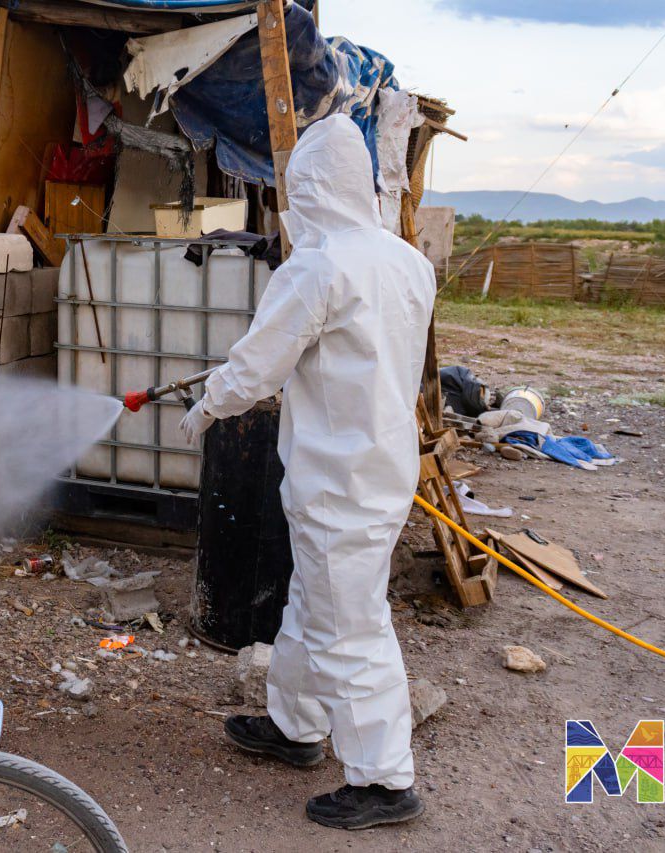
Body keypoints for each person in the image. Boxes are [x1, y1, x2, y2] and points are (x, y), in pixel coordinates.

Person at [178, 114, 436, 830]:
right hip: (379, 468)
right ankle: (294, 727)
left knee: (350, 625)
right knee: (315, 602)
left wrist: (208, 406)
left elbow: (259, 364)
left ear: (313, 188)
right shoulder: (407, 262)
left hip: (337, 477)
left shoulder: (319, 267)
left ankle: (385, 780)